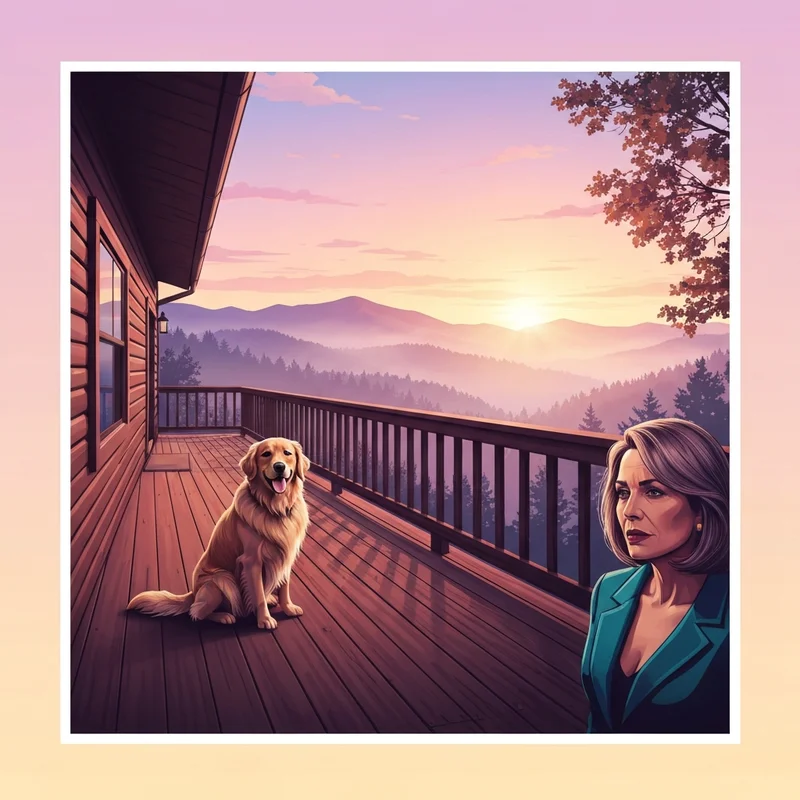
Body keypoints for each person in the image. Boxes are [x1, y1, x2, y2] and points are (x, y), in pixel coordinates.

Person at [581, 418, 730, 734]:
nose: (630, 510)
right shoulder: (609, 591)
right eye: (623, 493)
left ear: (701, 507)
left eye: (654, 491)